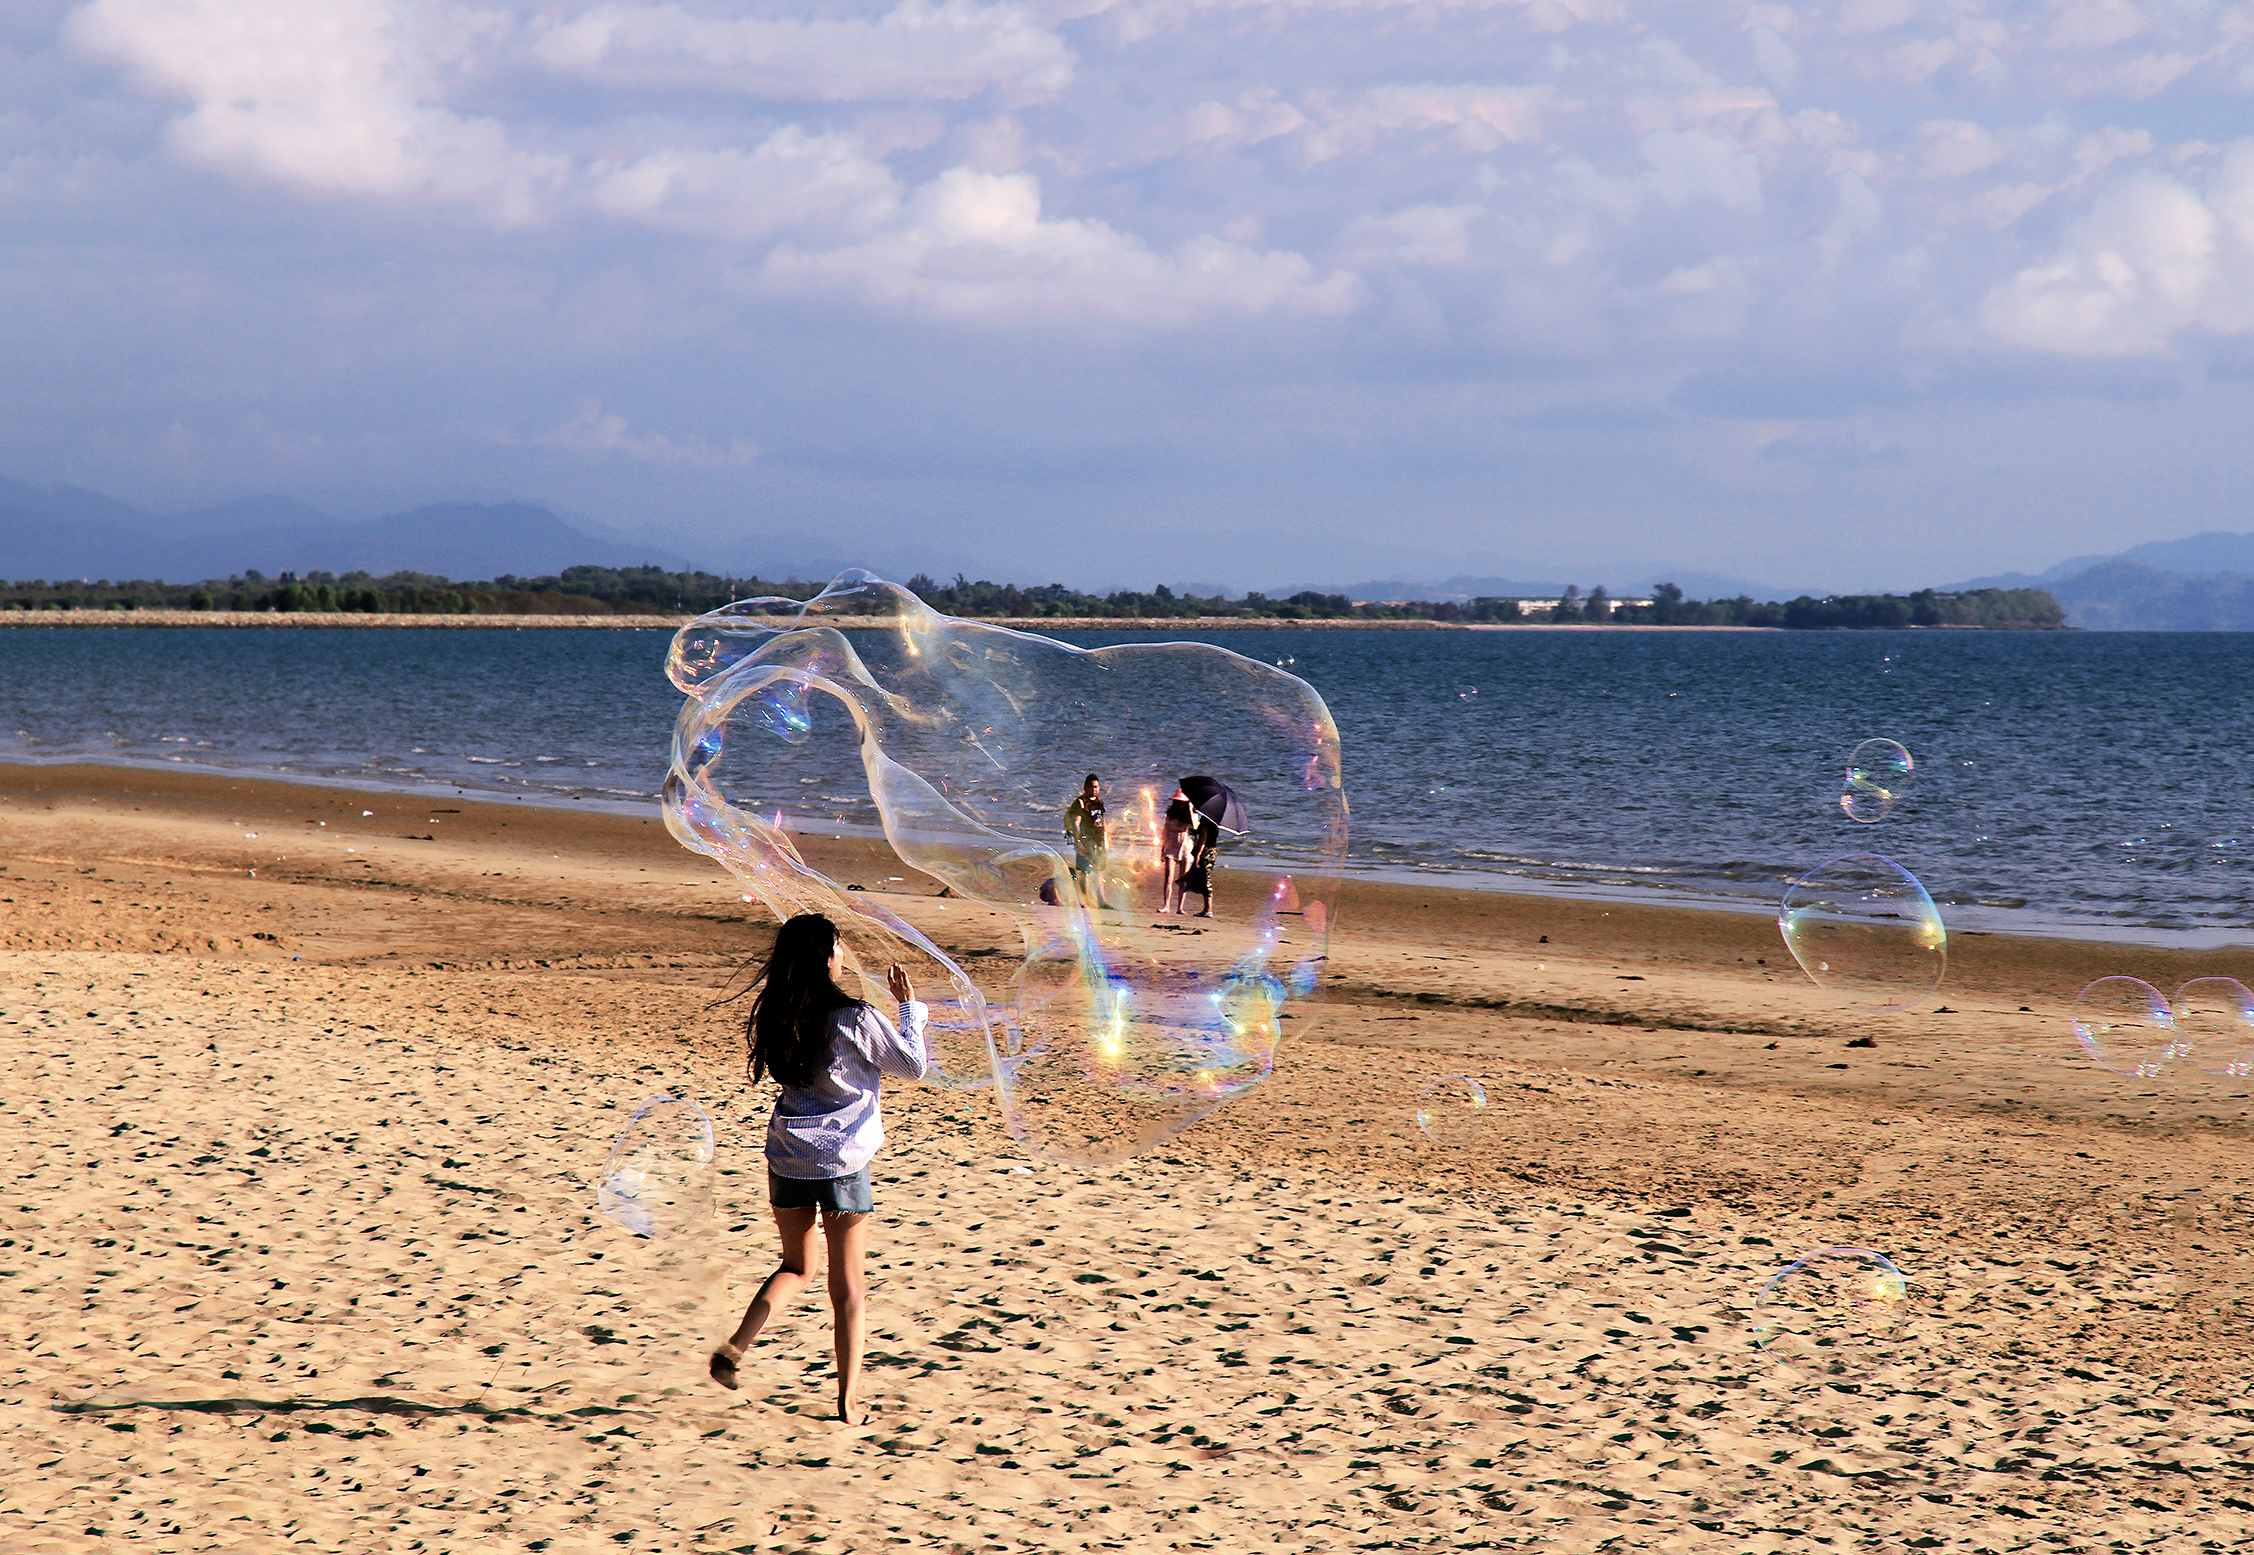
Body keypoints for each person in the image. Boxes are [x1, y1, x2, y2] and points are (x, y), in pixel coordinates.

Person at [710, 913, 927, 1425]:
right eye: (839, 946)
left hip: (787, 1154)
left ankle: (736, 1347)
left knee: (796, 1266)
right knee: (848, 1285)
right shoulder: (853, 1016)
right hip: (842, 1161)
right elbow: (912, 1067)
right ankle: (849, 1405)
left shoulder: (783, 1010)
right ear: (826, 958)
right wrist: (909, 1008)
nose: (844, 952)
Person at [1063, 774, 1111, 908]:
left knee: (1099, 870)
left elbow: (1102, 820)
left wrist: (1106, 838)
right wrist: (1078, 842)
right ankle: (1085, 900)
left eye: (1096, 787)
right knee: (1085, 871)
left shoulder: (1099, 801)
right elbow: (1076, 823)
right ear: (1085, 787)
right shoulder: (1080, 802)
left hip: (1099, 840)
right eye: (1091, 787)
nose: (1093, 789)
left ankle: (1102, 900)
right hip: (1086, 840)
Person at [1159, 793, 1196, 914]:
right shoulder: (1171, 813)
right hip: (1171, 844)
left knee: (1183, 879)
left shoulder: (1190, 814)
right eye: (1178, 801)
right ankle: (1166, 905)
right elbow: (1165, 830)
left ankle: (1180, 907)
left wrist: (1190, 809)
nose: (1180, 804)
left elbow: (1195, 827)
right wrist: (1162, 849)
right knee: (1169, 876)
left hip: (1185, 845)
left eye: (1182, 802)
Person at [1184, 814, 1219, 917]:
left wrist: (1198, 855)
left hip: (1206, 851)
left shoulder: (1206, 820)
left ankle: (1208, 909)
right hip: (1213, 851)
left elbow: (1203, 839)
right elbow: (1213, 835)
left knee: (1205, 879)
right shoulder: (1216, 820)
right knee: (1206, 877)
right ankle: (1207, 909)